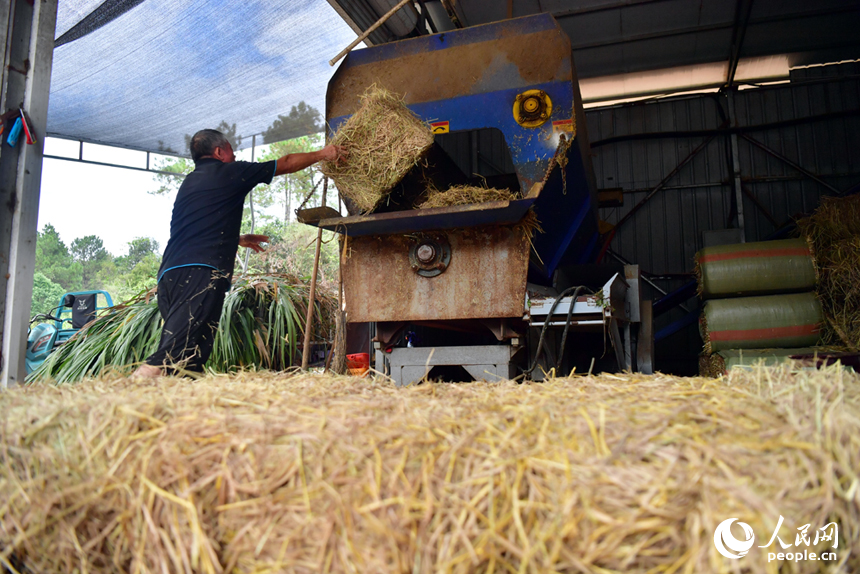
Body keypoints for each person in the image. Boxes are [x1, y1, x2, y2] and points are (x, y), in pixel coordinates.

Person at [133, 128, 344, 377]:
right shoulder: (230, 171)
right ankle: (126, 397)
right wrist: (324, 153)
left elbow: (197, 228)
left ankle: (179, 409)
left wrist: (237, 239)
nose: (234, 156)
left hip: (170, 276)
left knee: (189, 357)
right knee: (170, 354)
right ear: (220, 151)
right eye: (231, 149)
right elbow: (284, 163)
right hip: (199, 275)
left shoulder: (190, 182)